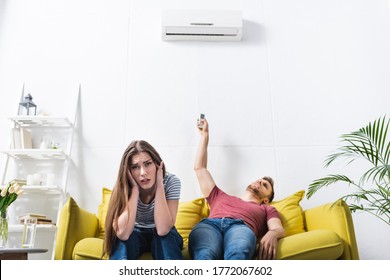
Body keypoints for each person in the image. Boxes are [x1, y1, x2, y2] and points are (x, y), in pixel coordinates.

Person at [188, 118, 284, 260]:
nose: (259, 182)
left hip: (241, 227)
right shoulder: (219, 196)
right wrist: (205, 136)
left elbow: (277, 228)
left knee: (237, 254)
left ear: (265, 200)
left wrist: (273, 234)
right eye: (259, 180)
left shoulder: (267, 209)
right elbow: (200, 168)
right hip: (210, 225)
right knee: (205, 254)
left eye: (265, 185)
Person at [104, 140, 183, 260]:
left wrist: (160, 186)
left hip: (165, 233)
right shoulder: (124, 186)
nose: (143, 173)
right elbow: (123, 234)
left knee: (165, 239)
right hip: (135, 231)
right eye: (135, 167)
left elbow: (162, 230)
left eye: (147, 164)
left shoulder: (171, 182)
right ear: (128, 171)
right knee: (123, 243)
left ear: (157, 164)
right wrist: (134, 191)